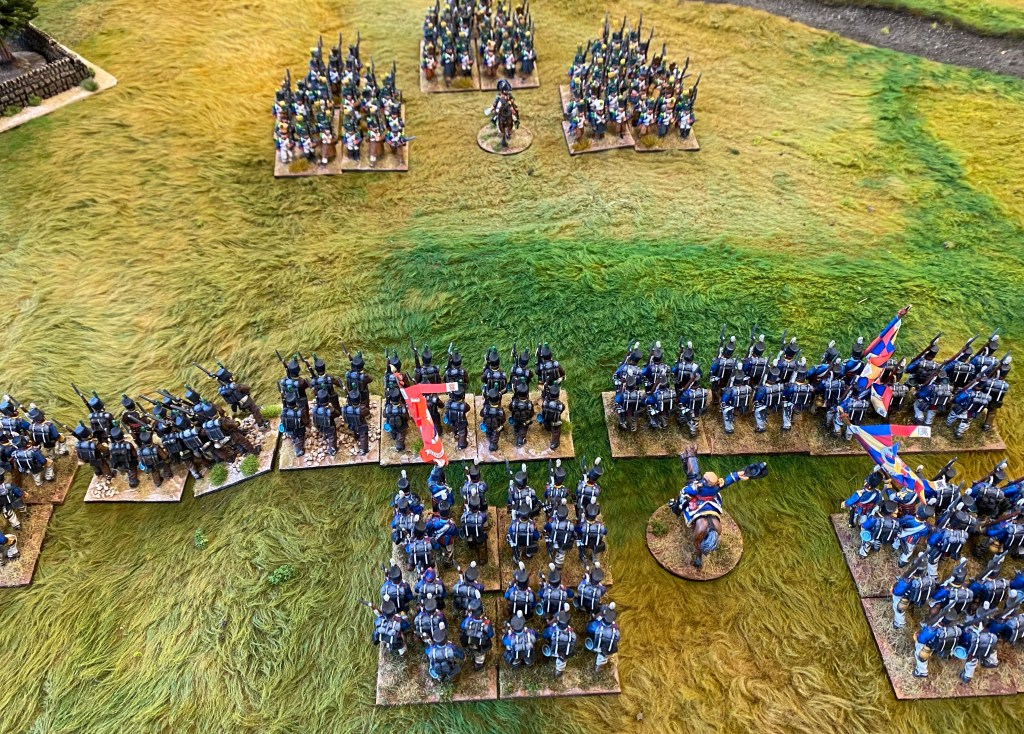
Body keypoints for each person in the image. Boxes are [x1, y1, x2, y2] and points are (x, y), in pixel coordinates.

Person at [668, 449, 768, 567]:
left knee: (683, 498)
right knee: (716, 504)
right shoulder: (718, 486)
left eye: (704, 478)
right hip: (711, 502)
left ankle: (675, 508)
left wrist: (685, 493)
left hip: (700, 502)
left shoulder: (698, 487)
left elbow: (686, 490)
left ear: (705, 481)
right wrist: (739, 474)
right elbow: (729, 480)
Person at [459, 597, 494, 671]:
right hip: (480, 645)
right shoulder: (486, 623)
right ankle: (478, 665)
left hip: (469, 640)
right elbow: (490, 634)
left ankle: (470, 649)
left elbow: (462, 626)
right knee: (480, 656)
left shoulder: (467, 620)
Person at [541, 608, 577, 678]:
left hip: (553, 650)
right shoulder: (572, 634)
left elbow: (544, 634)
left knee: (547, 640)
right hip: (564, 653)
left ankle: (550, 657)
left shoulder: (552, 630)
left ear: (558, 621)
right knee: (562, 660)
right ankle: (559, 670)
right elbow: (573, 645)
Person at [585, 603, 620, 671]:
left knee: (589, 633)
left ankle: (593, 653)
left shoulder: (596, 625)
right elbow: (617, 639)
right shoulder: (616, 631)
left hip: (596, 646)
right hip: (607, 650)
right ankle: (598, 667)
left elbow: (588, 629)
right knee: (601, 658)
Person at [544, 501, 576, 570]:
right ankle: (559, 563)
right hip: (564, 542)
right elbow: (572, 534)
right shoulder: (570, 525)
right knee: (562, 551)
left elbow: (546, 527)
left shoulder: (552, 523)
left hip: (554, 540)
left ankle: (551, 553)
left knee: (547, 534)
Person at [342, 389, 370, 456]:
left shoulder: (345, 409)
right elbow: (367, 412)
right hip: (361, 425)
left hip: (352, 425)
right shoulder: (361, 409)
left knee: (355, 431)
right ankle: (363, 449)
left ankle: (356, 436)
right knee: (363, 436)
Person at [508, 382, 534, 447]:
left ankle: (516, 430)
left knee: (516, 426)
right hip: (524, 421)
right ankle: (520, 441)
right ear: (527, 394)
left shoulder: (514, 402)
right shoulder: (529, 404)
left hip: (515, 419)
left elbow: (510, 408)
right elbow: (531, 413)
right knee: (523, 430)